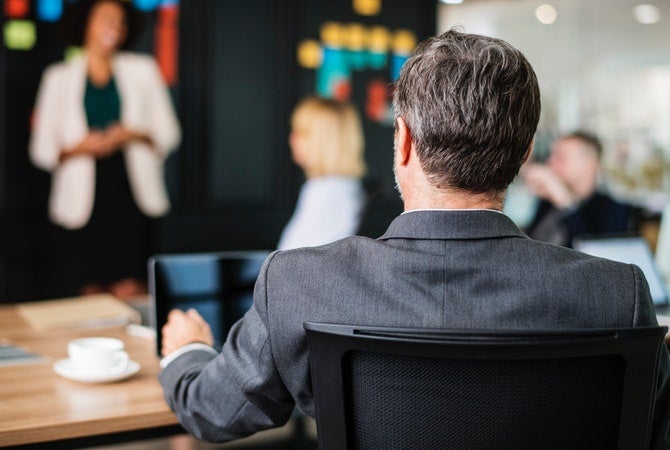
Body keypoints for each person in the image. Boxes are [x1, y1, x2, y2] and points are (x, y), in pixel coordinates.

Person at [159, 29, 670, 448]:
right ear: (524, 154)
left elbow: (212, 412)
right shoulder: (619, 295)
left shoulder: (298, 283)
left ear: (402, 140)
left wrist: (187, 353)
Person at [29, 0, 180, 299]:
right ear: (86, 22)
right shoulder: (58, 77)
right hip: (82, 201)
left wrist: (131, 134)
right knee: (90, 291)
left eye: (121, 22)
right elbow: (41, 149)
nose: (115, 27)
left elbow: (170, 134)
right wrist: (80, 147)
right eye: (106, 19)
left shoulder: (144, 70)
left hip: (131, 195)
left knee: (131, 289)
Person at [277, 96, 366, 250]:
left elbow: (287, 258)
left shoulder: (325, 191)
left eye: (301, 132)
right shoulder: (346, 187)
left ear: (320, 141)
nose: (292, 138)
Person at [522, 131, 631, 247]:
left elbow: (593, 255)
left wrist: (564, 201)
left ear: (590, 164)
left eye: (560, 157)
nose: (550, 161)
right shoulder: (547, 203)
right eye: (552, 155)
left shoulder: (612, 210)